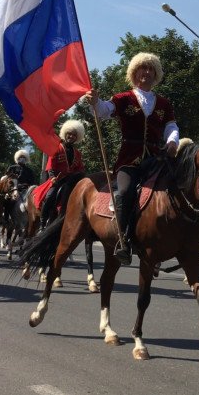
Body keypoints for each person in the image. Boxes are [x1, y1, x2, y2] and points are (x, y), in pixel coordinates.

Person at [85, 52, 179, 265]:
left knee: (175, 188)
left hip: (156, 159)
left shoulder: (164, 103)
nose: (146, 72)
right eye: (142, 68)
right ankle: (122, 240)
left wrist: (173, 141)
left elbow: (171, 126)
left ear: (156, 74)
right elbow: (104, 111)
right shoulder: (123, 98)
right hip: (130, 159)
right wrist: (95, 101)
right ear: (134, 73)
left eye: (150, 69)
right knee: (126, 192)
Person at [38, 120, 86, 230]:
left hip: (70, 180)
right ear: (65, 134)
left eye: (74, 135)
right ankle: (42, 222)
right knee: (50, 196)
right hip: (56, 179)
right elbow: (51, 164)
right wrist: (52, 177)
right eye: (69, 134)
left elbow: (80, 168)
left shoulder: (77, 153)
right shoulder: (56, 148)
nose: (71, 136)